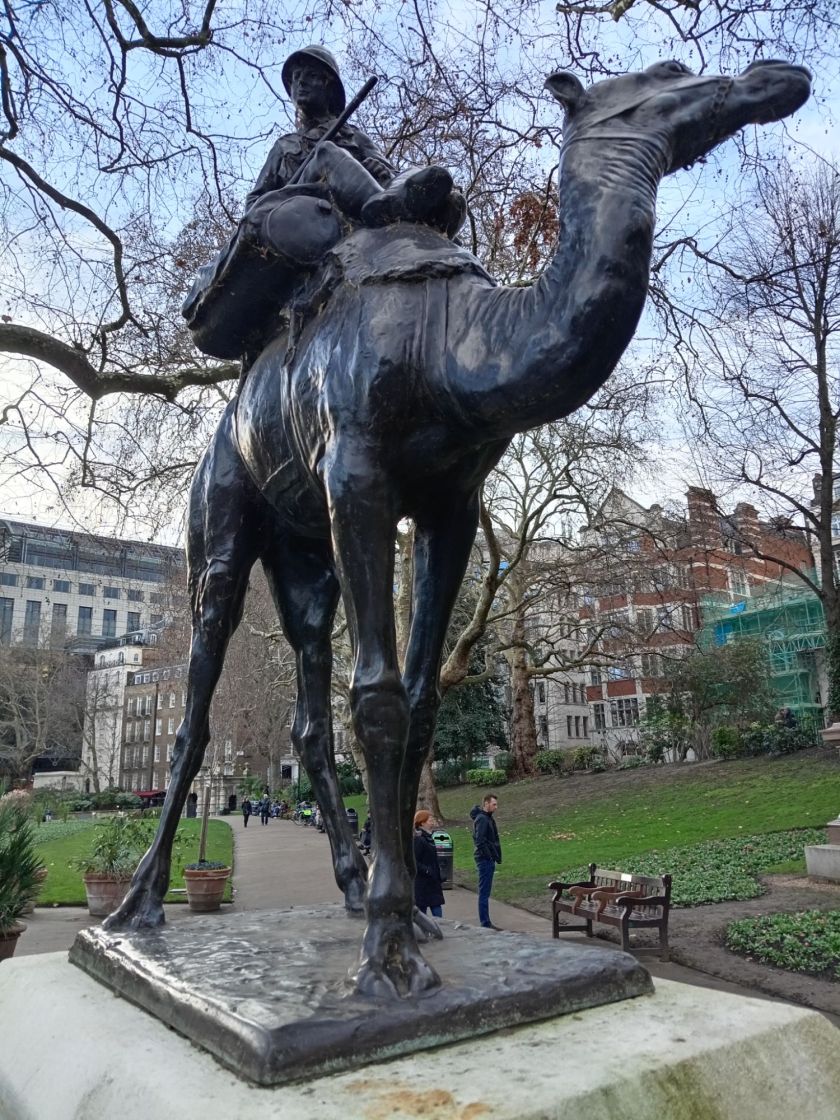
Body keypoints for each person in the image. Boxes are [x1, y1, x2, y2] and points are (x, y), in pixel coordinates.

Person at [183, 45, 465, 365]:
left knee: (420, 180)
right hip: (306, 216)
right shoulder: (286, 147)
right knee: (326, 155)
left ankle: (413, 214)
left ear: (329, 86)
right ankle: (385, 211)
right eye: (296, 79)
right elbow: (254, 204)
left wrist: (412, 185)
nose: (300, 84)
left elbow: (383, 172)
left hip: (359, 206)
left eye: (311, 77)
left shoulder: (353, 137)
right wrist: (292, 192)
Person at [470, 793, 502, 930]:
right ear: (486, 804)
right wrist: (489, 856)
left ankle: (486, 921)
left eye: (496, 804)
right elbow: (480, 841)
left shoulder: (486, 818)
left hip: (487, 858)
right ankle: (485, 922)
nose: (496, 807)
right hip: (484, 859)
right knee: (484, 892)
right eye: (494, 804)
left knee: (485, 892)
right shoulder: (482, 819)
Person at [412, 809, 444, 918]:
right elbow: (414, 860)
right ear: (422, 822)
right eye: (430, 819)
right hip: (423, 882)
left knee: (436, 907)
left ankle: (440, 929)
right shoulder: (419, 840)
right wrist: (427, 870)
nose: (433, 821)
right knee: (422, 910)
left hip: (433, 880)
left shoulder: (430, 837)